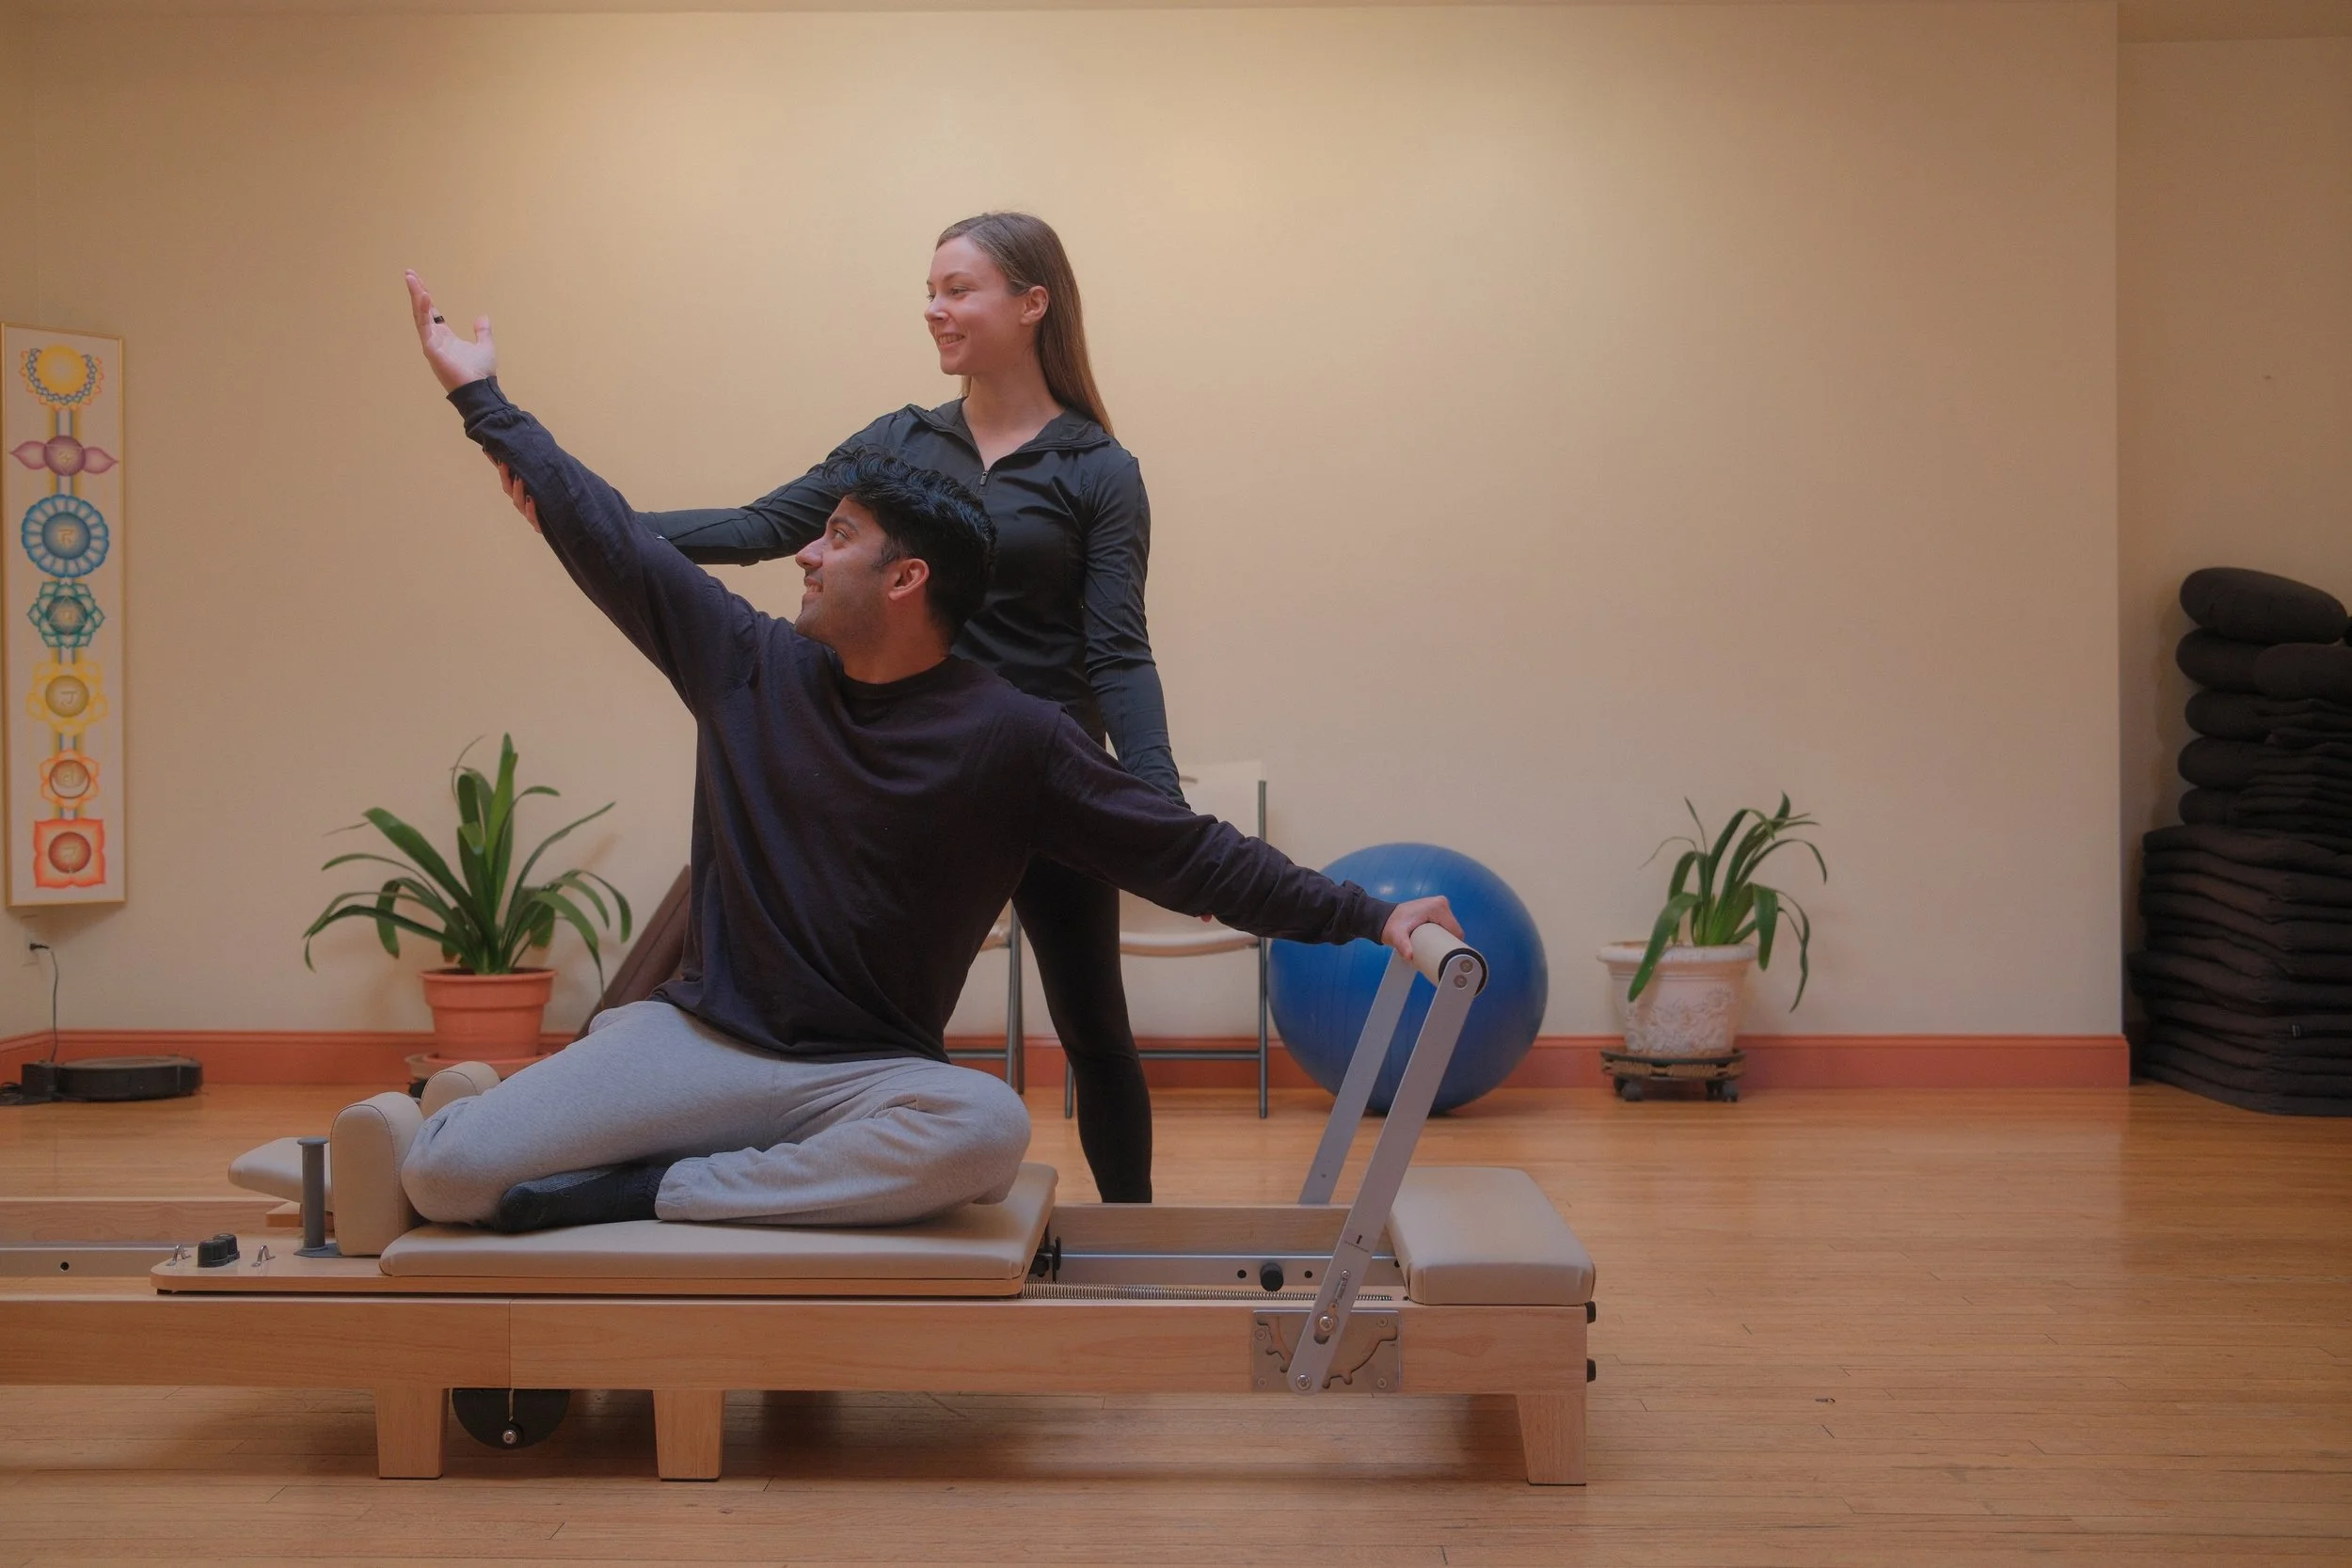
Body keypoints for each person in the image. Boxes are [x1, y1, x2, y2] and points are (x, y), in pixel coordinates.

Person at [395, 271, 1458, 1233]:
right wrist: (483, 400)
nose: (805, 552)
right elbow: (617, 541)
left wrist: (1369, 914)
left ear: (906, 581)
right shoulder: (745, 662)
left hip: (863, 1079)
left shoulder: (1015, 736)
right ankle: (497, 1122)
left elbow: (1188, 853)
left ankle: (655, 1183)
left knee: (984, 1128)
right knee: (447, 1179)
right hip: (698, 1040)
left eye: (839, 537)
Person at [613, 214, 1178, 1204]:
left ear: (1030, 304)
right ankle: (784, 1193)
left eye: (958, 289)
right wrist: (591, 518)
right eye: (931, 288)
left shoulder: (1098, 471)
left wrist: (1157, 801)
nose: (935, 308)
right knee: (853, 1015)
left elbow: (1116, 651)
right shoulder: (901, 442)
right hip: (911, 771)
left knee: (1092, 1021)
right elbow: (762, 527)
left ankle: (1135, 1246)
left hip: (1040, 771)